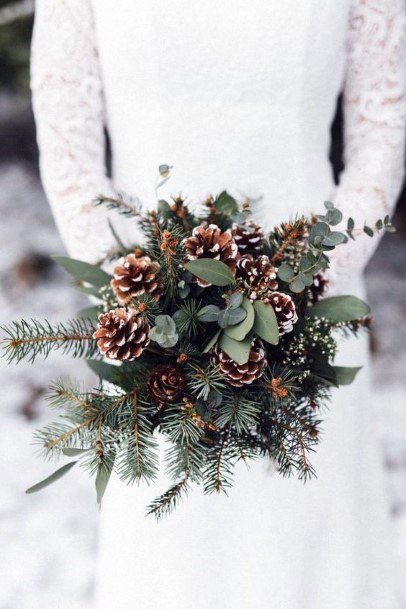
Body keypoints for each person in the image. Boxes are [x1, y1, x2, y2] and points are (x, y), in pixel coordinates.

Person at [30, 1, 406, 608]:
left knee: (311, 554)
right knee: (170, 555)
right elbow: (67, 142)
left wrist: (303, 286)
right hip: (153, 336)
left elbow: (382, 129)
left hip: (311, 313)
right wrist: (139, 297)